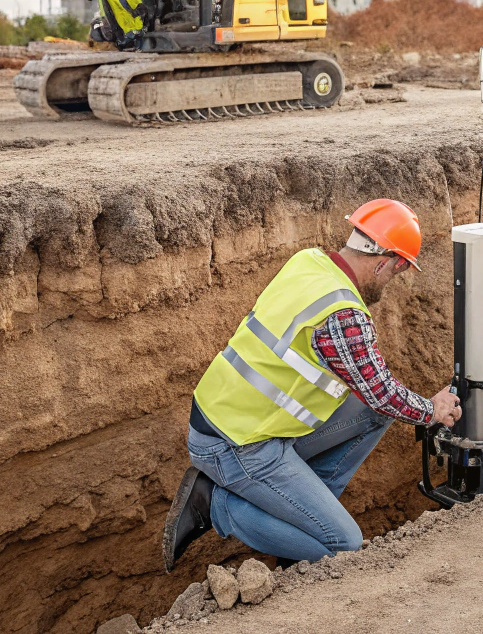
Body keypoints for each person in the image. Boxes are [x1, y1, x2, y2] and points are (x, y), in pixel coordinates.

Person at [162, 199, 462, 571]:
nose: (390, 282)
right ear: (386, 262)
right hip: (236, 444)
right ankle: (216, 504)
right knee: (345, 544)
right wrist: (432, 410)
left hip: (235, 418)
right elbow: (381, 392)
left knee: (374, 413)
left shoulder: (308, 262)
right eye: (396, 272)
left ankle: (305, 526)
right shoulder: (343, 314)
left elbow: (376, 399)